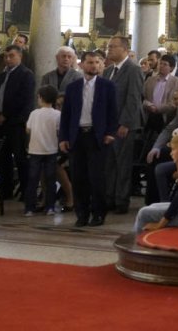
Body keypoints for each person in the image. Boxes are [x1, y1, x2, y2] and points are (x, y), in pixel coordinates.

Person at [59, 49, 119, 227]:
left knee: (97, 177)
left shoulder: (108, 86)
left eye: (97, 62)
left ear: (101, 65)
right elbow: (66, 115)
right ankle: (82, 213)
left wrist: (110, 133)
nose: (94, 65)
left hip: (97, 136)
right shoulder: (72, 87)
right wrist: (63, 137)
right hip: (77, 135)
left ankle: (98, 213)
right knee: (78, 177)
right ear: (82, 64)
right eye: (90, 62)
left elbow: (113, 112)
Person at [0, 44, 35, 201]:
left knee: (20, 157)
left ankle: (26, 190)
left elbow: (24, 100)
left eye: (11, 56)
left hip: (16, 123)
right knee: (3, 157)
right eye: (6, 56)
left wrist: (6, 116)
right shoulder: (2, 75)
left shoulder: (26, 74)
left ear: (20, 57)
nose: (8, 59)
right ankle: (5, 190)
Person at [102, 36, 144, 215]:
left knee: (123, 164)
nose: (108, 50)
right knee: (109, 164)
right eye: (108, 47)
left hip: (124, 125)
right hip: (108, 125)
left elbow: (134, 98)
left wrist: (125, 123)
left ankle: (121, 200)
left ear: (125, 49)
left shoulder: (133, 69)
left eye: (113, 47)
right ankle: (109, 198)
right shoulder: (108, 71)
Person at [23, 85, 62, 216]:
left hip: (35, 151)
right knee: (51, 180)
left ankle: (29, 208)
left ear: (40, 97)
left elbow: (28, 129)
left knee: (33, 180)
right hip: (51, 150)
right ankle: (50, 207)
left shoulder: (34, 113)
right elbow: (59, 131)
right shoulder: (58, 114)